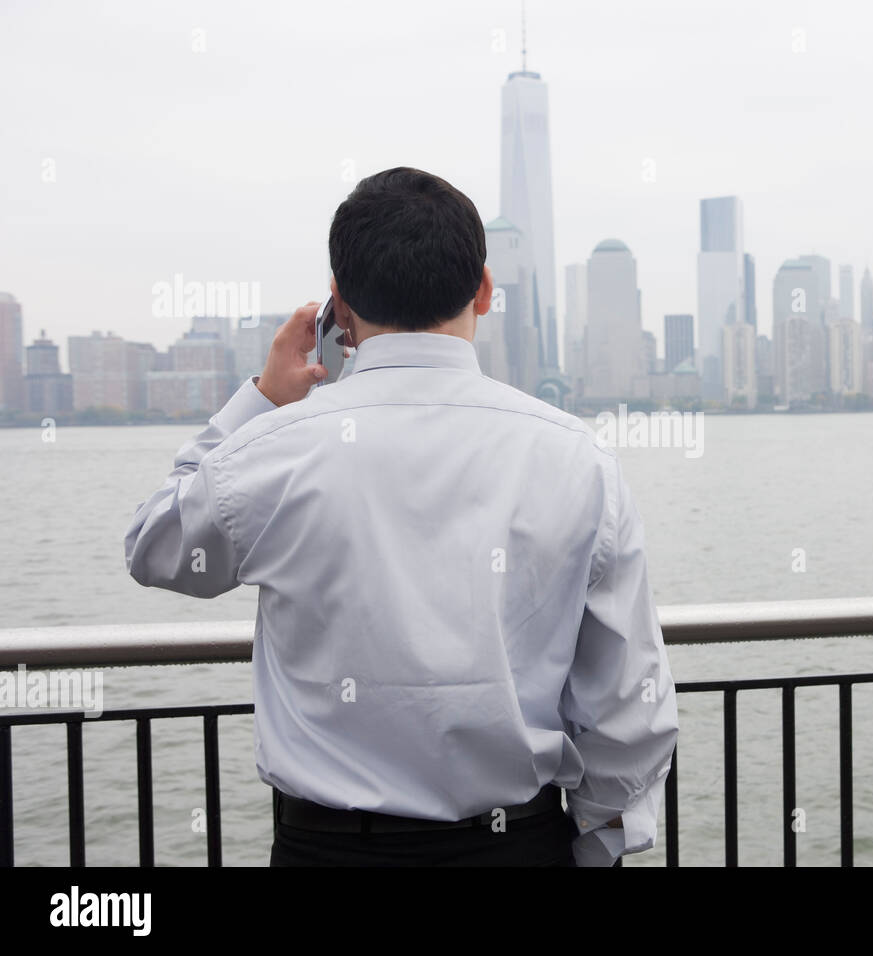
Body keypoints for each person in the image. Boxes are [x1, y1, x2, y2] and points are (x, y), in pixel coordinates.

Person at [124, 167, 678, 867]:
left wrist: (260, 400)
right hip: (518, 845)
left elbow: (154, 547)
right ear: (483, 289)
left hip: (328, 852)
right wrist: (595, 847)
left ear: (338, 305)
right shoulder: (577, 459)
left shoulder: (272, 451)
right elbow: (629, 699)